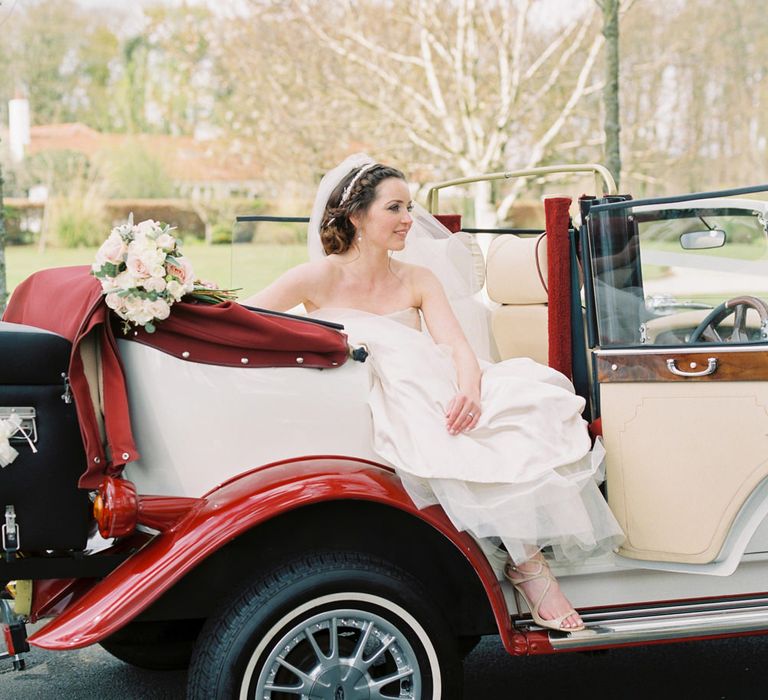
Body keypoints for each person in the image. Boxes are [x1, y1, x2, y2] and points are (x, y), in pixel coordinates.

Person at [243, 154, 624, 632]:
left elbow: (459, 348)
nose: (409, 221)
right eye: (395, 209)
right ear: (357, 216)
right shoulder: (315, 278)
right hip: (381, 391)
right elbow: (244, 320)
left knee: (533, 404)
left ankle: (526, 562)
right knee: (451, 436)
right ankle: (528, 566)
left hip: (440, 382)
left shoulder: (418, 278)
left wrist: (470, 393)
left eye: (409, 207)